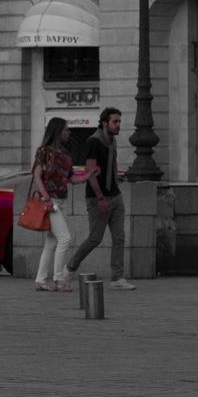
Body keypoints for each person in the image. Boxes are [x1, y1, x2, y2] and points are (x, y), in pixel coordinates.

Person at [63, 107, 134, 289]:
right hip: (98, 198)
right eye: (115, 122)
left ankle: (117, 278)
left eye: (119, 121)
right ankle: (69, 268)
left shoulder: (113, 141)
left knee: (119, 238)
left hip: (115, 195)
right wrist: (101, 198)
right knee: (95, 238)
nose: (118, 125)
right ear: (104, 123)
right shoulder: (93, 142)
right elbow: (90, 172)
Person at [30, 117, 78, 292]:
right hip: (51, 201)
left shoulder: (65, 154)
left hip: (62, 199)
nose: (69, 132)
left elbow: (72, 178)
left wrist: (89, 176)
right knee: (65, 238)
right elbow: (36, 176)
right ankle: (59, 279)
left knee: (51, 242)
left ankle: (41, 280)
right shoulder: (43, 152)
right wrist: (47, 199)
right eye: (66, 129)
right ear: (57, 132)